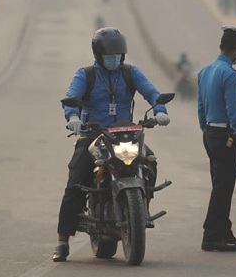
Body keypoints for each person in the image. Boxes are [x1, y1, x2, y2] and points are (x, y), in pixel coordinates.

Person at [53, 27, 170, 262]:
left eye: (118, 54)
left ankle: (140, 206)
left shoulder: (130, 73)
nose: (114, 58)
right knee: (76, 180)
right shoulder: (85, 75)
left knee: (150, 162)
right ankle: (62, 241)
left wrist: (160, 110)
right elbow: (71, 100)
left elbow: (152, 92)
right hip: (94, 135)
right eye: (109, 55)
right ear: (98, 55)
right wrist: (74, 118)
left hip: (126, 134)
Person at [197, 25, 236, 252]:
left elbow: (200, 107)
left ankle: (223, 230)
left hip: (210, 133)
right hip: (225, 135)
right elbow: (234, 111)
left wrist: (206, 130)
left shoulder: (205, 71)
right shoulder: (229, 74)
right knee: (223, 186)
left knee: (220, 184)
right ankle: (211, 235)